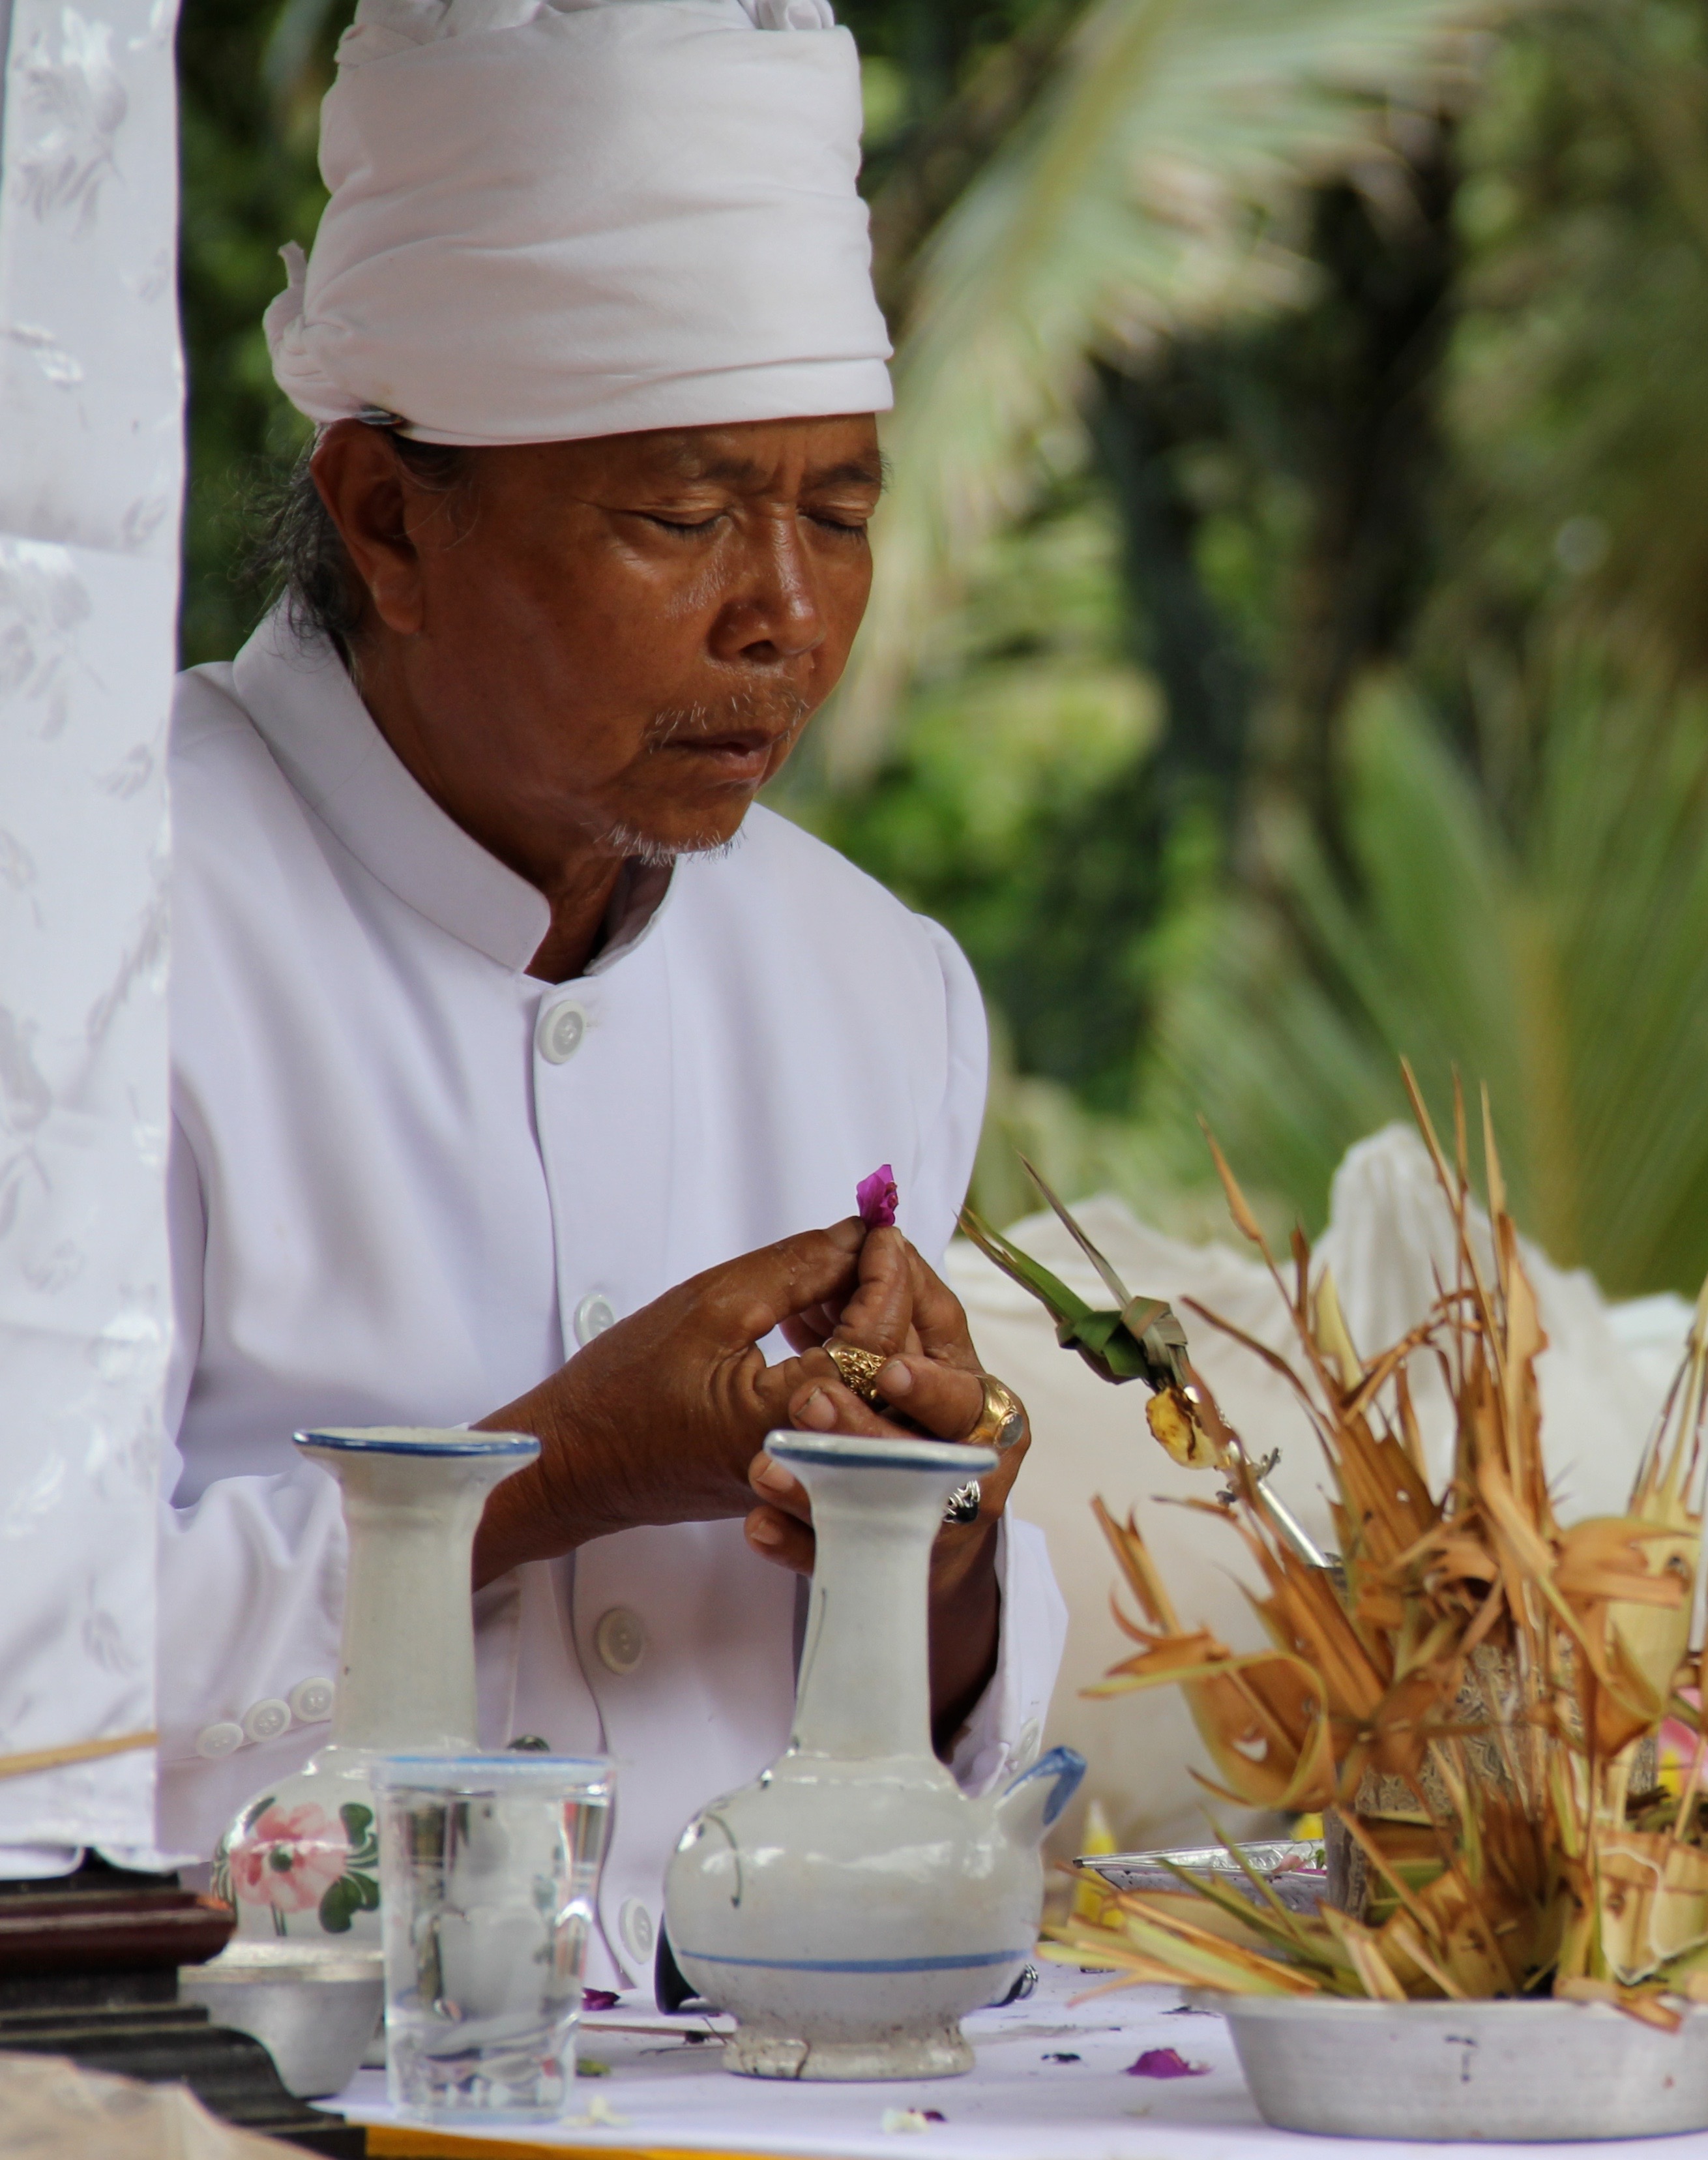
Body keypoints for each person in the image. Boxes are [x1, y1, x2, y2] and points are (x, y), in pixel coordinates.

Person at [153, 0, 1065, 1994]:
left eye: (840, 509)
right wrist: (547, 1472)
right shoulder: (97, 935)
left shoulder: (875, 985)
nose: (791, 615)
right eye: (684, 514)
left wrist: (938, 1532)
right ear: (394, 518)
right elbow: (33, 1668)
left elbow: (917, 1750)